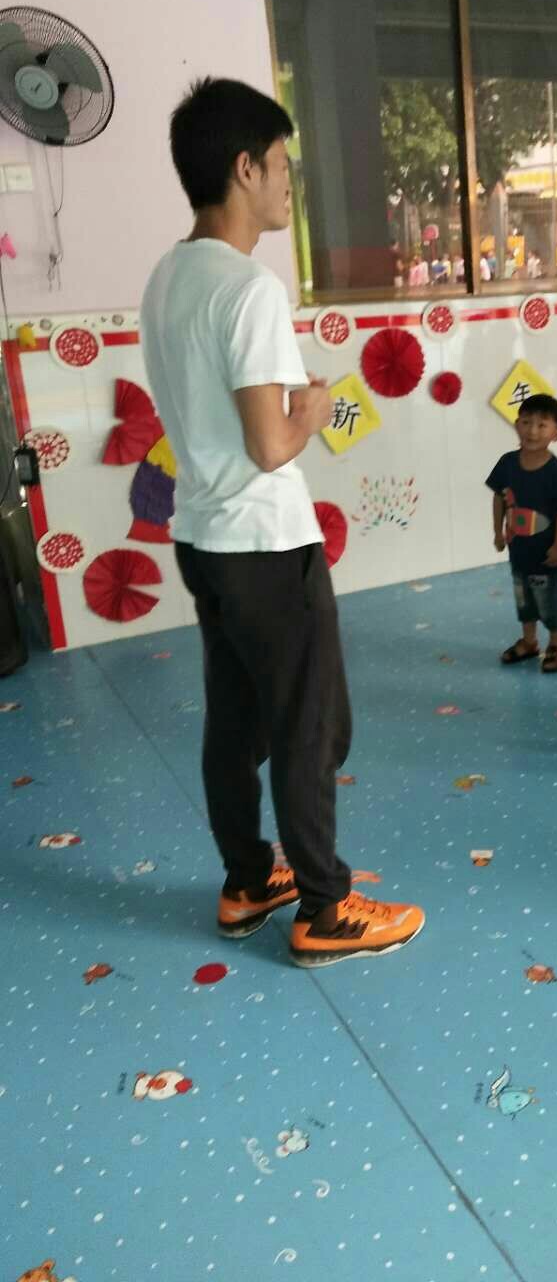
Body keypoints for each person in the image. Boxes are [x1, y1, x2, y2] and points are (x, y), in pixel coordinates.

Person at [141, 78, 424, 967]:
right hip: (265, 541)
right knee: (311, 725)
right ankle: (326, 908)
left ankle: (246, 880)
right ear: (244, 167)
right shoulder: (249, 288)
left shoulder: (168, 275)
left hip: (203, 536)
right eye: (283, 167)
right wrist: (313, 408)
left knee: (235, 720)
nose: (289, 184)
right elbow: (270, 446)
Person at [487, 393, 557, 673]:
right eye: (526, 422)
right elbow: (499, 498)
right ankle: (529, 642)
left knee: (548, 601)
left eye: (542, 425)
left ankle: (555, 645)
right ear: (517, 425)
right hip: (519, 552)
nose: (533, 431)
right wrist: (498, 532)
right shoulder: (507, 463)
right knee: (524, 599)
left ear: (556, 434)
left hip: (546, 555)